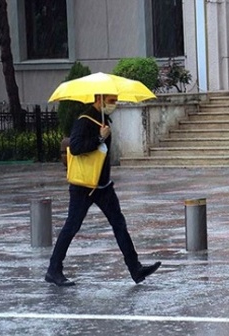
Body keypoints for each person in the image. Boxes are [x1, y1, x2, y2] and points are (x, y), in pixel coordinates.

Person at [45, 94, 161, 286]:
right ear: (99, 100)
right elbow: (74, 147)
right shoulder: (84, 120)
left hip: (103, 185)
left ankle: (135, 268)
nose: (114, 104)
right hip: (84, 186)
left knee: (119, 224)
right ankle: (53, 269)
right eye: (111, 100)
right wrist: (99, 137)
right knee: (72, 226)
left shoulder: (104, 119)